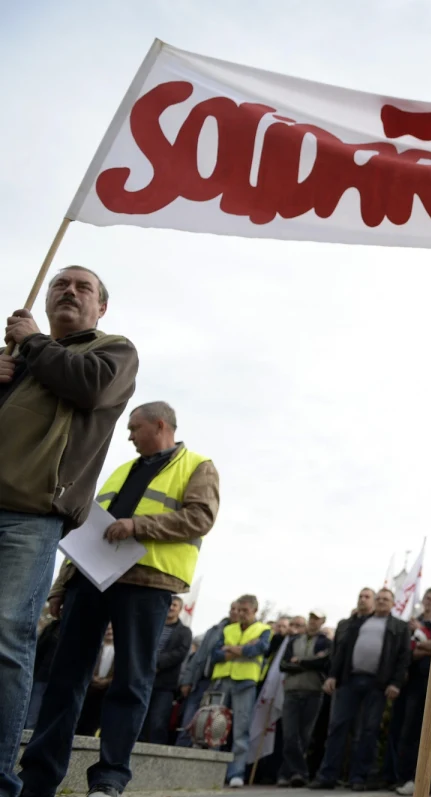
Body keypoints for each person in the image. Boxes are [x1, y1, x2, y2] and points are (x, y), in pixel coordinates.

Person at [20, 400, 217, 797]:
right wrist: (63, 583)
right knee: (64, 679)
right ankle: (37, 780)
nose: (128, 436)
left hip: (147, 583)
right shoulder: (121, 471)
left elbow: (201, 517)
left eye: (134, 428)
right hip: (89, 581)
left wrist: (137, 526)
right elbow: (87, 528)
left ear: (160, 425)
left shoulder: (198, 465)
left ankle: (109, 780)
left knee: (131, 680)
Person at [0, 265, 139, 797]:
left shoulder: (112, 351)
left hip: (30, 513)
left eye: (83, 287)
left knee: (8, 640)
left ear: (101, 308)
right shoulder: (22, 357)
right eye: (60, 283)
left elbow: (91, 389)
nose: (69, 291)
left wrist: (32, 340)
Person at [312, 589, 410, 791]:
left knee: (368, 731)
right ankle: (327, 776)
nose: (382, 602)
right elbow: (342, 651)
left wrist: (395, 683)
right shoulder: (358, 623)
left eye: (386, 599)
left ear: (393, 604)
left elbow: (403, 657)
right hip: (349, 680)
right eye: (379, 599)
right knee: (337, 727)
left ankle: (359, 777)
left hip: (378, 684)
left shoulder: (399, 627)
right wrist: (332, 675)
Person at [207, 595, 272, 787]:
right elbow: (216, 654)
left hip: (245, 683)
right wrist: (242, 648)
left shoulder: (264, 629)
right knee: (215, 726)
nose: (241, 614)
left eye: (246, 611)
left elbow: (258, 650)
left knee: (240, 729)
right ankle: (212, 770)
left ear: (254, 611)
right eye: (239, 610)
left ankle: (236, 772)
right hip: (223, 681)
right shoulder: (228, 628)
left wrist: (231, 648)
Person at [394, 588, 431, 795]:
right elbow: (410, 650)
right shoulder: (413, 622)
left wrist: (426, 644)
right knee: (411, 731)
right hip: (415, 685)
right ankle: (407, 778)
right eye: (428, 599)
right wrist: (426, 645)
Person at [278, 610, 332, 787]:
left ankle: (290, 774)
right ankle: (299, 772)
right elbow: (283, 664)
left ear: (322, 621)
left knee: (305, 736)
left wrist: (299, 661)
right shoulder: (294, 640)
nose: (313, 622)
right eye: (311, 618)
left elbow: (323, 663)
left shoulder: (325, 642)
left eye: (317, 619)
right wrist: (309, 662)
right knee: (290, 735)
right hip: (292, 691)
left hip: (313, 692)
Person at [176, 601, 238, 747]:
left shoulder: (242, 632)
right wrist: (187, 680)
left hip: (220, 683)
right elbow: (199, 656)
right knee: (188, 721)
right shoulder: (215, 629)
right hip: (201, 680)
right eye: (233, 609)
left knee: (210, 725)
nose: (235, 612)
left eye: (239, 609)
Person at [140, 595, 193, 744]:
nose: (171, 607)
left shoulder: (184, 632)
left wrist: (156, 664)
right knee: (138, 720)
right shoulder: (153, 626)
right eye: (169, 604)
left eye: (175, 605)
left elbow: (180, 653)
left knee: (158, 723)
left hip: (164, 685)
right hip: (142, 680)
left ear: (180, 609)